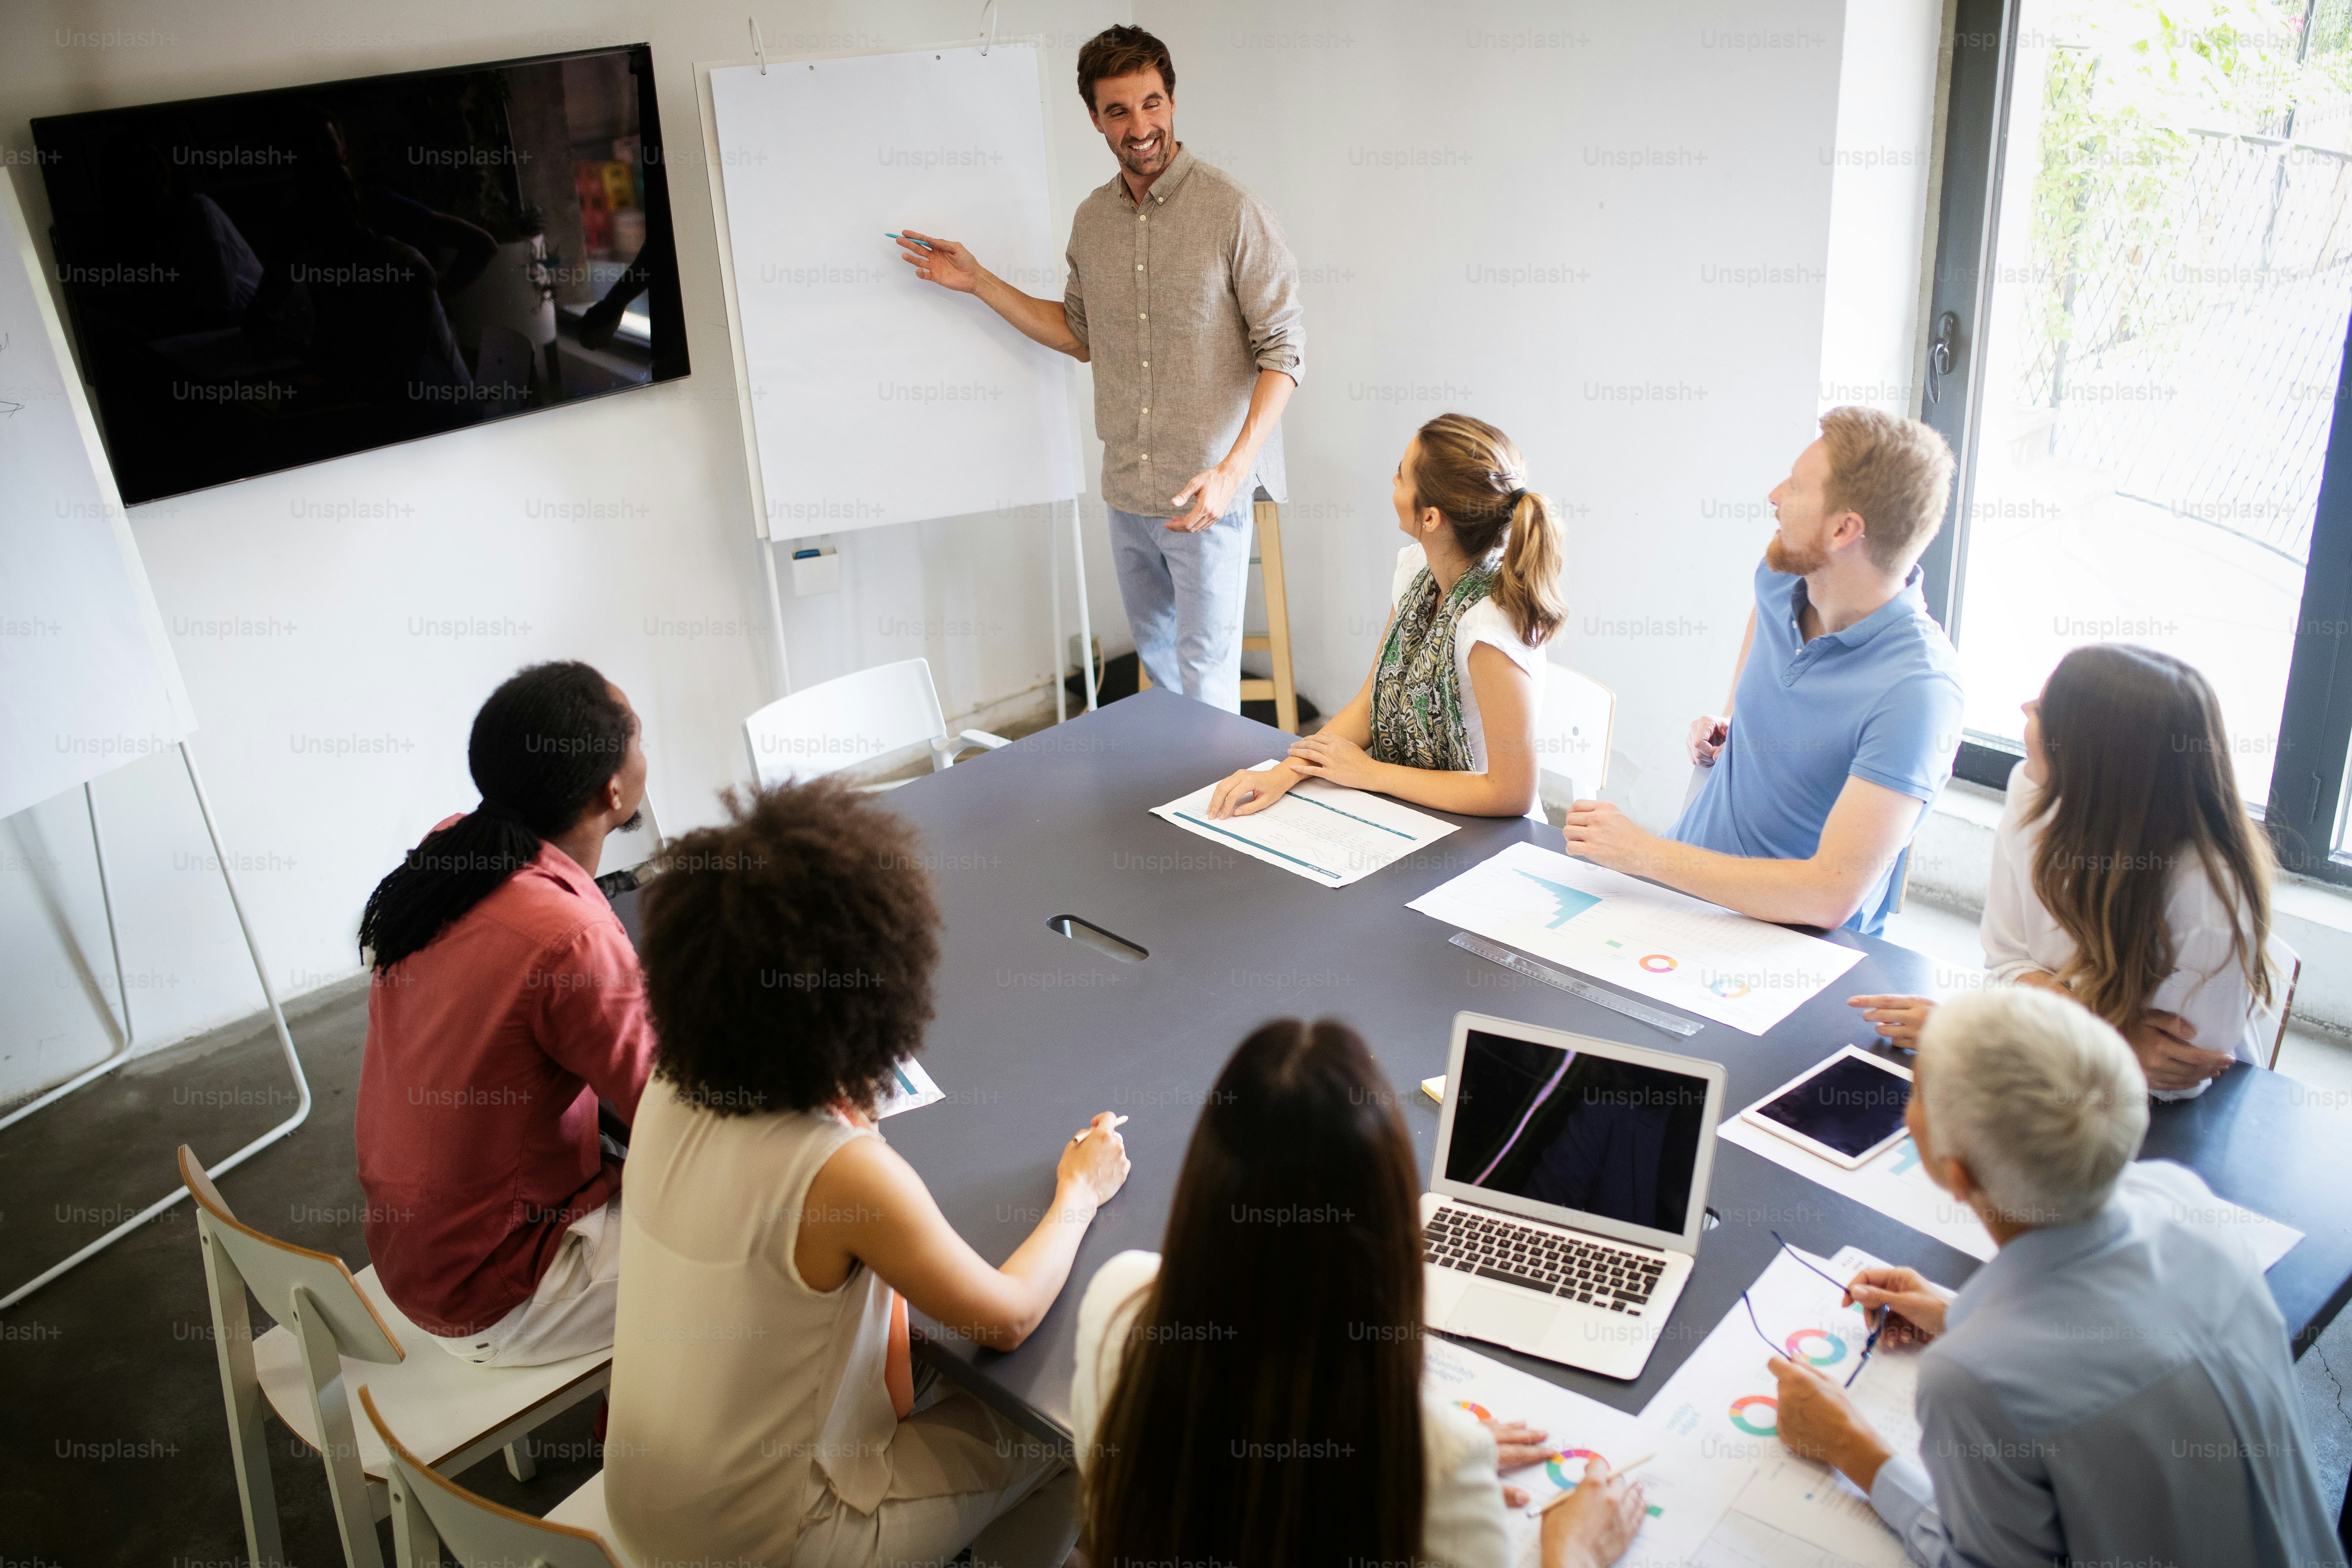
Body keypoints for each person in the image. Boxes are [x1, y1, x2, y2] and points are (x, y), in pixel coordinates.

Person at [605, 781, 1131, 1568]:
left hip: (642, 1502)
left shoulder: (669, 1086)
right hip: (776, 1538)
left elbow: (886, 1362)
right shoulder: (841, 1171)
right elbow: (1010, 1316)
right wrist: (1080, 1190)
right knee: (1066, 1427)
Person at [1768, 988, 2340, 1568]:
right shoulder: (2180, 1200)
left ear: (1955, 1174)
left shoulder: (1971, 1381)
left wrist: (1845, 1443)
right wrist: (1955, 1318)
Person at [1074, 1017, 1649, 1568]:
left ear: (1202, 1187)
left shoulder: (1115, 1300)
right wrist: (1569, 1554)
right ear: (1392, 1228)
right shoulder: (1434, 1457)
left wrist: (1431, 1462)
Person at [894, 24, 1302, 711]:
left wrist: (1234, 470)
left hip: (1206, 495)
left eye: (1151, 103)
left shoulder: (1233, 210)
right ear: (1095, 119)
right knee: (1162, 679)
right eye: (1118, 110)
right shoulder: (1093, 221)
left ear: (1171, 102)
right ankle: (1175, 808)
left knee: (1206, 681)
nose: (1139, 126)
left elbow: (1283, 354)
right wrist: (979, 282)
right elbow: (1081, 334)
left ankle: (1219, 810)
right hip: (1126, 493)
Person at [353, 661, 654, 1366]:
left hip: (420, 1251)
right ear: (613, 789)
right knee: (793, 1238)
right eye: (637, 734)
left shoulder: (453, 845)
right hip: (505, 1290)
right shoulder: (569, 937)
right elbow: (680, 1116)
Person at [1562, 407, 1963, 934]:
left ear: (1845, 529)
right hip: (1675, 898)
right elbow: (1767, 646)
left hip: (1780, 944)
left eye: (1796, 487)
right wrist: (1731, 721)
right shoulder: (1784, 575)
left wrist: (1643, 853)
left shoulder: (1920, 692)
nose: (1774, 495)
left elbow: (1828, 897)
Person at [1849, 644, 2277, 1099]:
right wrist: (2115, 1037)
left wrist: (1974, 1035)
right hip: (2074, 1074)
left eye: (2047, 710)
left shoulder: (2207, 890)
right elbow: (2008, 964)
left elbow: (2173, 1080)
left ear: (2094, 760)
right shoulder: (2031, 792)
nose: (2026, 707)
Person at [1204, 413, 1565, 820]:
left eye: (1401, 476)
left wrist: (1372, 773)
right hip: (1413, 807)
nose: (1393, 484)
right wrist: (1281, 774)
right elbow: (1370, 702)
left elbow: (1511, 794)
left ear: (1430, 517)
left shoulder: (1489, 626)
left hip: (1487, 833)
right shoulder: (1418, 570)